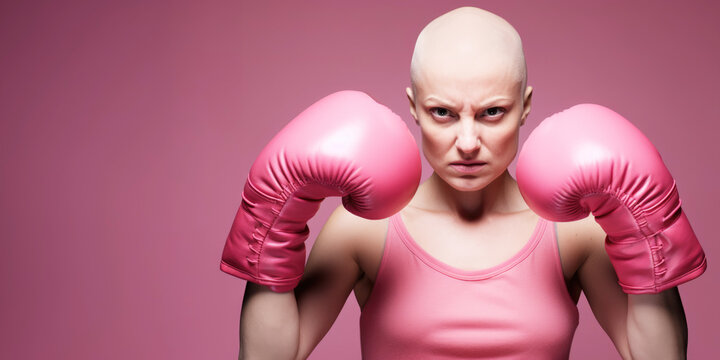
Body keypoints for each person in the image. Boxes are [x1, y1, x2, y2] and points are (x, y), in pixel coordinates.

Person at [224, 7, 704, 359]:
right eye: (443, 113)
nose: (468, 141)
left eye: (492, 112)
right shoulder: (364, 228)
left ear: (525, 105)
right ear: (413, 108)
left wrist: (650, 234)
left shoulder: (573, 229)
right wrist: (268, 223)